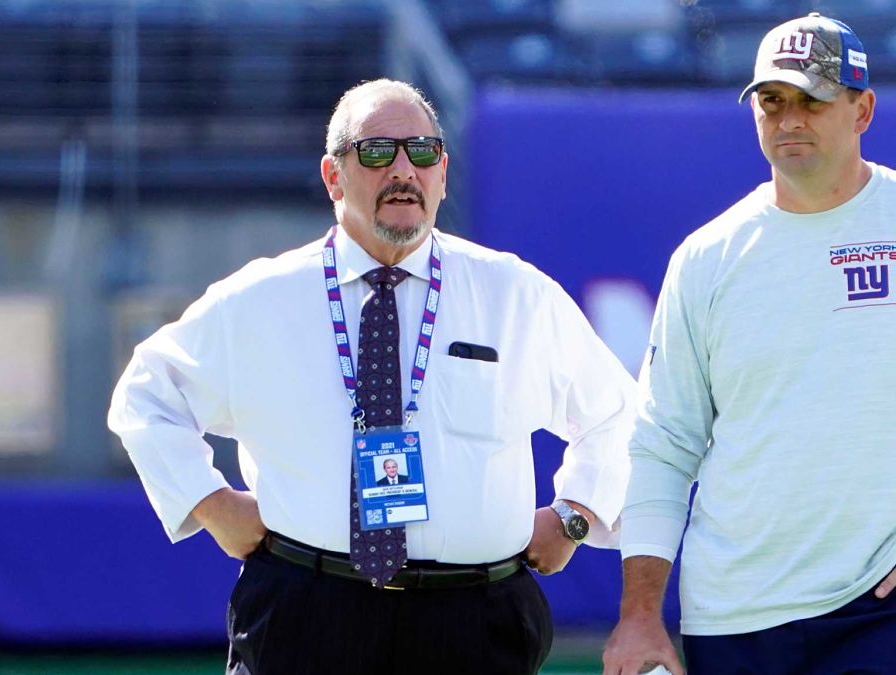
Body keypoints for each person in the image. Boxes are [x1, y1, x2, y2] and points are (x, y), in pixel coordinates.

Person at [602, 13, 896, 675]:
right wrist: (638, 614)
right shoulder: (706, 258)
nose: (790, 118)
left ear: (863, 110)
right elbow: (663, 442)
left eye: (812, 100)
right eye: (773, 101)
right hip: (737, 613)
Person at [109, 78, 636, 675]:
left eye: (423, 152)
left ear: (442, 172)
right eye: (378, 152)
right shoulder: (261, 298)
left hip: (474, 623)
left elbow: (618, 415)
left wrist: (574, 514)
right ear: (334, 176)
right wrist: (209, 503)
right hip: (307, 616)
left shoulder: (514, 294)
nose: (403, 170)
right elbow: (147, 395)